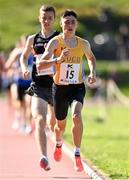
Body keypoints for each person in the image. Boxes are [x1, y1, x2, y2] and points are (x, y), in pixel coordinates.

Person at [37, 9, 96, 172]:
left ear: (76, 25)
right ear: (61, 24)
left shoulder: (83, 43)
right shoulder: (55, 42)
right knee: (59, 125)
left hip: (77, 87)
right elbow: (40, 64)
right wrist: (58, 59)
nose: (69, 25)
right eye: (66, 22)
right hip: (60, 88)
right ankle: (58, 143)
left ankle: (77, 154)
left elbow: (91, 58)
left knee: (77, 115)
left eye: (73, 22)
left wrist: (92, 72)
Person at [20, 5, 59, 171]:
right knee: (39, 120)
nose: (47, 21)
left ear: (54, 19)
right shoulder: (32, 39)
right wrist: (24, 68)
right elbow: (23, 57)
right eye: (44, 18)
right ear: (39, 18)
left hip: (57, 86)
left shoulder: (59, 38)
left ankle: (58, 142)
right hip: (38, 87)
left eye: (50, 18)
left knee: (53, 123)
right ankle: (44, 157)